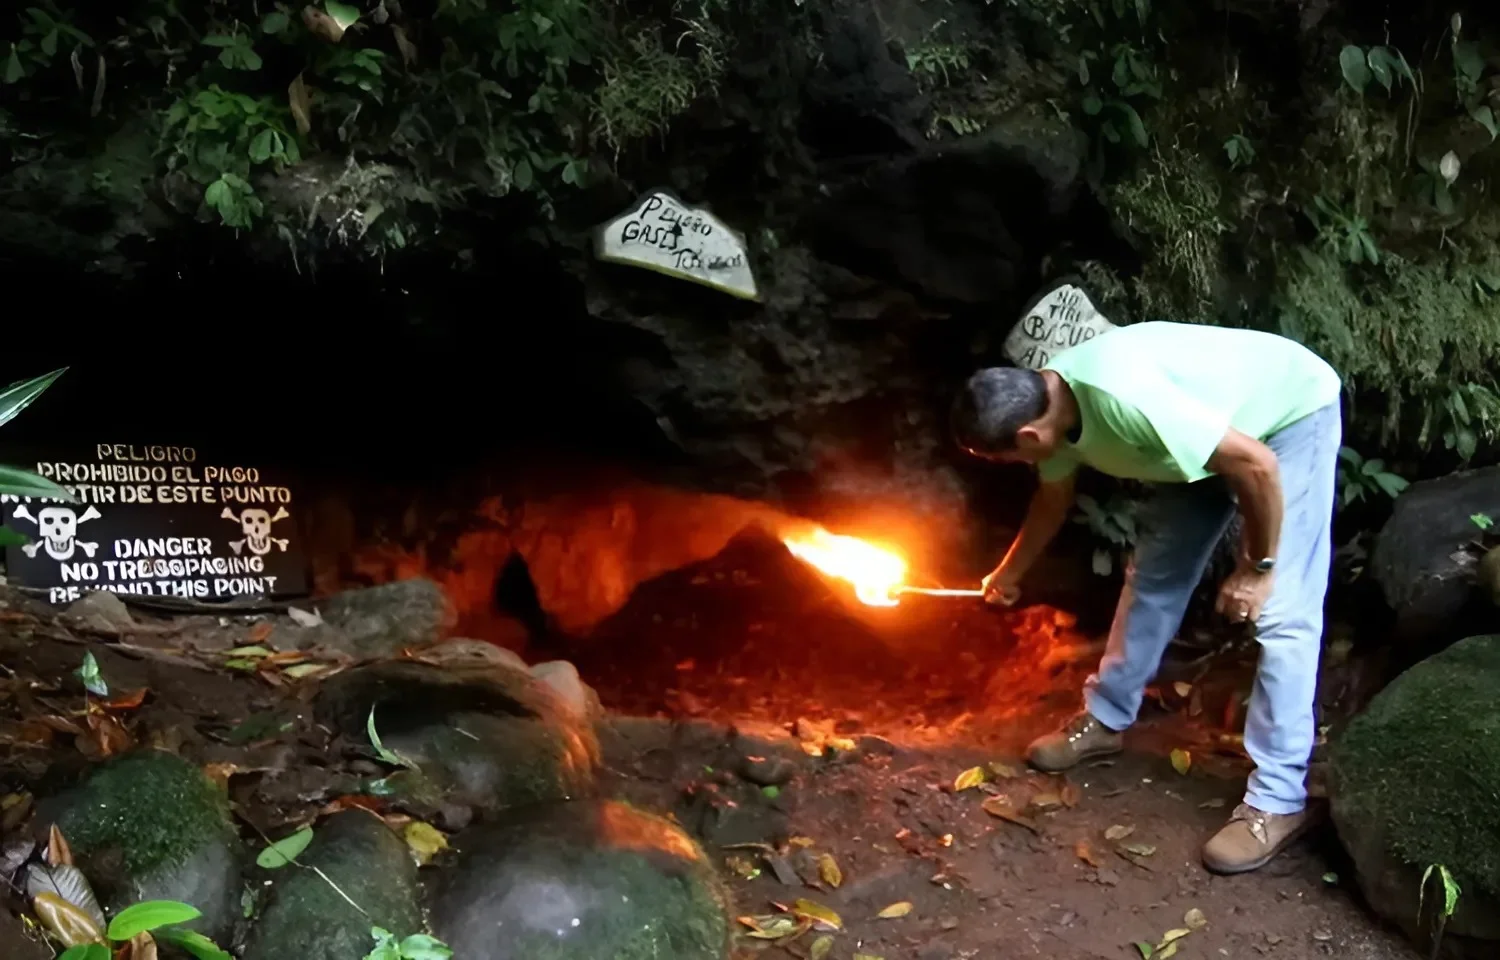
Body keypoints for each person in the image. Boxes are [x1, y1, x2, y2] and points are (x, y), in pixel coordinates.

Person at [950, 319, 1342, 875]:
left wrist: (1258, 568)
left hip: (1286, 417)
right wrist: (1008, 573)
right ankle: (1106, 719)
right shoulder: (1046, 403)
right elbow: (1052, 500)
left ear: (1029, 439)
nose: (1016, 466)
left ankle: (1279, 800)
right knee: (1154, 575)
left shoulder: (1125, 402)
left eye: (1006, 458)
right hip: (1207, 432)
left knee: (1282, 612)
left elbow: (1256, 463)